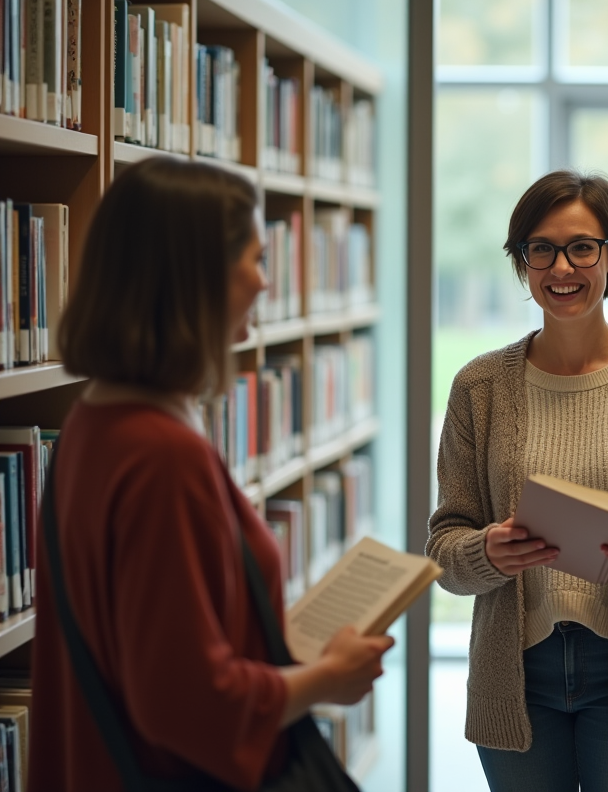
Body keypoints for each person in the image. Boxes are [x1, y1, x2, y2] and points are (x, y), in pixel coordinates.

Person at [29, 157, 393, 791]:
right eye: (255, 259)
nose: (266, 283)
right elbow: (184, 700)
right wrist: (326, 679)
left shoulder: (92, 420)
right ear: (197, 275)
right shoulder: (162, 455)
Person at [426, 169, 608, 792]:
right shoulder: (479, 387)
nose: (561, 267)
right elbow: (443, 548)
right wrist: (485, 553)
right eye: (541, 248)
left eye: (582, 247)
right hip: (516, 671)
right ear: (523, 261)